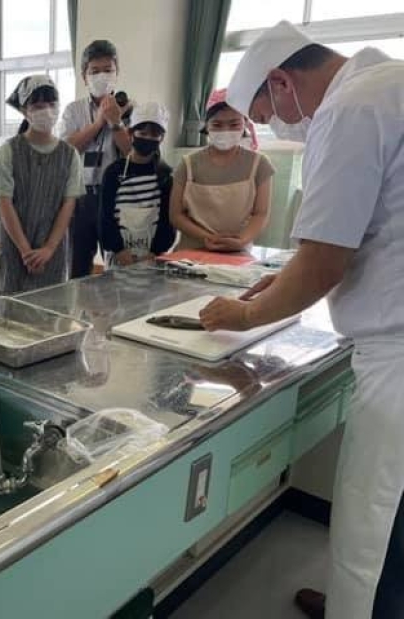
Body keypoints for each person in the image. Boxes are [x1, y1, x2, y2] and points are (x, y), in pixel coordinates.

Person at [200, 21, 404, 619]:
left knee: (376, 520)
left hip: (397, 355)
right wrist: (282, 284)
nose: (274, 125)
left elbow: (322, 261)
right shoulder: (390, 84)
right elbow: (373, 235)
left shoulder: (349, 109)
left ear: (282, 81)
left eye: (264, 112)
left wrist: (246, 312)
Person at [0, 75, 84, 295]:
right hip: (15, 250)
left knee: (51, 313)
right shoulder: (9, 151)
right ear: (24, 110)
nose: (46, 111)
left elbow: (67, 206)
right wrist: (25, 251)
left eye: (51, 105)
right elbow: (5, 205)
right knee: (10, 315)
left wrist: (49, 248)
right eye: (38, 106)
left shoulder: (69, 155)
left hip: (52, 251)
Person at [60, 40, 133, 278]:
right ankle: (76, 312)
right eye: (95, 71)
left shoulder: (130, 108)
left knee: (119, 267)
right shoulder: (73, 110)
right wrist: (99, 122)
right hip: (80, 199)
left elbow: (133, 153)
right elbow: (67, 149)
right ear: (84, 76)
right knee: (77, 266)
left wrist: (116, 122)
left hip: (116, 199)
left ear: (117, 73)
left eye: (107, 70)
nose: (102, 75)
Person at [170, 88, 275, 251]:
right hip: (191, 252)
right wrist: (208, 237)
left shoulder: (259, 164)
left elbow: (261, 213)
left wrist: (241, 240)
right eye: (217, 125)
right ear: (207, 126)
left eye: (234, 124)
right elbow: (176, 215)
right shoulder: (188, 164)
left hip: (238, 252)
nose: (225, 130)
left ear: (245, 123)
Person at [99, 102, 176, 267]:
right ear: (130, 133)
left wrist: (155, 251)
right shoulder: (114, 172)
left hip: (153, 258)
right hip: (119, 258)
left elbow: (167, 221)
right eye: (143, 132)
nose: (148, 138)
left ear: (161, 138)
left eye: (154, 135)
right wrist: (119, 249)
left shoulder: (165, 176)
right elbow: (105, 216)